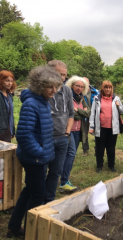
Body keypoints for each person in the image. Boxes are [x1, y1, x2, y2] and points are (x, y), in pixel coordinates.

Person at [7, 66, 62, 238]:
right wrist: (40, 153)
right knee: (38, 195)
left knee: (29, 191)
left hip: (37, 157)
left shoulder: (43, 101)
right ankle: (30, 231)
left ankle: (14, 227)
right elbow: (24, 134)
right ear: (39, 86)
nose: (54, 90)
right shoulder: (32, 103)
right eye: (49, 87)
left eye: (56, 86)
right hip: (34, 159)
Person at [45, 60, 75, 202]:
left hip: (62, 138)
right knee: (42, 171)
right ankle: (38, 201)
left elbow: (71, 113)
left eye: (65, 75)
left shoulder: (67, 90)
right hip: (46, 139)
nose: (63, 78)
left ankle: (49, 200)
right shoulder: (43, 90)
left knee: (56, 172)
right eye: (60, 74)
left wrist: (67, 133)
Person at [59, 76, 90, 193]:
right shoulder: (68, 96)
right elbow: (69, 114)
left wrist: (78, 111)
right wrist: (79, 113)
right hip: (68, 129)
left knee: (70, 155)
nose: (79, 88)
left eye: (82, 87)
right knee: (70, 154)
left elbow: (88, 113)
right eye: (77, 86)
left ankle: (64, 177)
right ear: (72, 85)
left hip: (78, 131)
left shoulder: (82, 99)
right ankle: (64, 182)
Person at [89, 81, 123, 173]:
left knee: (111, 148)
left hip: (112, 128)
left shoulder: (116, 98)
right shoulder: (96, 99)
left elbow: (122, 111)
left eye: (109, 88)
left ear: (111, 89)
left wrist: (118, 106)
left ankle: (111, 165)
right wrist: (91, 126)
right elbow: (92, 113)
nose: (108, 89)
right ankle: (99, 166)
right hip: (100, 128)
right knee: (100, 148)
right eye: (106, 87)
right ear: (102, 88)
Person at [82, 77, 99, 156]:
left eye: (85, 83)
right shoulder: (80, 92)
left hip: (94, 115)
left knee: (96, 132)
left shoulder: (95, 92)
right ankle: (85, 150)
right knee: (84, 133)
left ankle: (97, 149)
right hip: (84, 115)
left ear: (88, 83)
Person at [0, 70, 16, 143]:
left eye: (11, 81)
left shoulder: (9, 95)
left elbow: (11, 114)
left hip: (8, 129)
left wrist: (12, 130)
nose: (10, 83)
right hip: (1, 130)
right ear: (1, 80)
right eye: (7, 81)